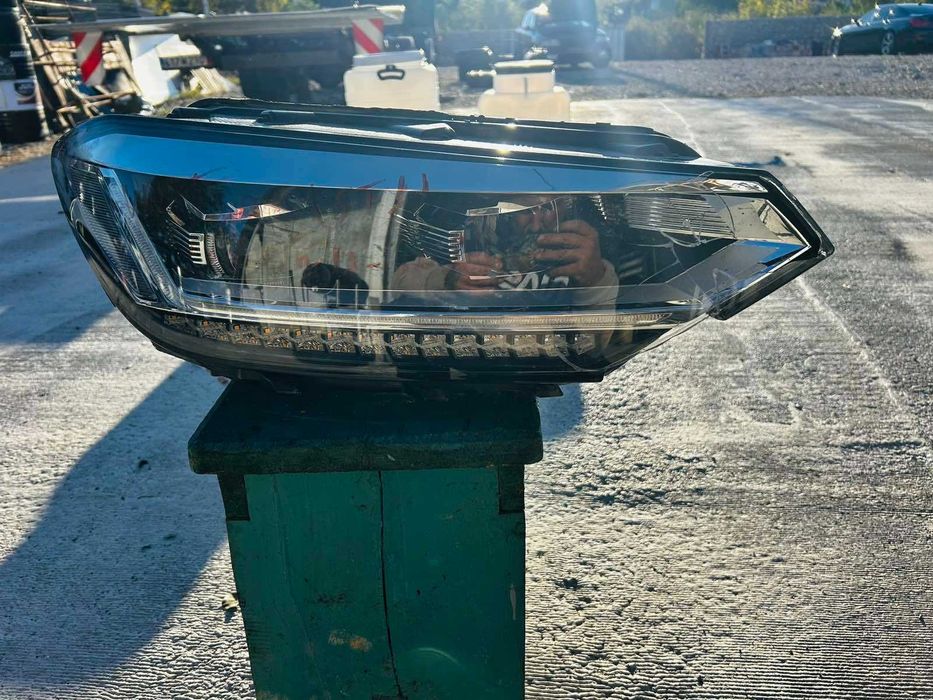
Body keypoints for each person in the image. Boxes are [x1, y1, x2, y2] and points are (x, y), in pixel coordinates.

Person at [391, 194, 619, 306]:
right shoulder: (465, 235)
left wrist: (597, 277)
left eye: (548, 208)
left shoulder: (584, 248)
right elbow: (396, 282)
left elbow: (609, 335)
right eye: (524, 210)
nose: (537, 225)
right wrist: (444, 280)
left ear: (566, 206)